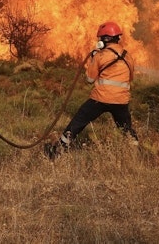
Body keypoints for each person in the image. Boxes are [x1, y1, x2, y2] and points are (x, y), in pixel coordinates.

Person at [44, 21, 138, 160]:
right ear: (117, 38)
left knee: (78, 122)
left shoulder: (100, 56)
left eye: (100, 38)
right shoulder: (128, 56)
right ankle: (136, 155)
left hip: (100, 99)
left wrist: (93, 59)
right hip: (121, 100)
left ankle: (56, 152)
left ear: (104, 39)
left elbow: (89, 79)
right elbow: (130, 77)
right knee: (126, 129)